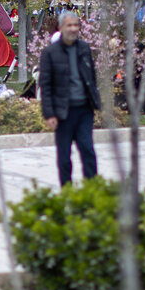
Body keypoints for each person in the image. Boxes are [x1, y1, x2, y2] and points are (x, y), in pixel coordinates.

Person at [39, 10, 101, 186]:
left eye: (76, 25)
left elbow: (91, 77)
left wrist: (95, 100)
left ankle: (92, 189)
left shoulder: (84, 48)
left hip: (84, 110)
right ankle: (67, 190)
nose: (73, 29)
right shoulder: (50, 53)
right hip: (63, 112)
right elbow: (46, 85)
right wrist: (49, 114)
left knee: (87, 149)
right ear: (60, 27)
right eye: (69, 25)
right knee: (64, 156)